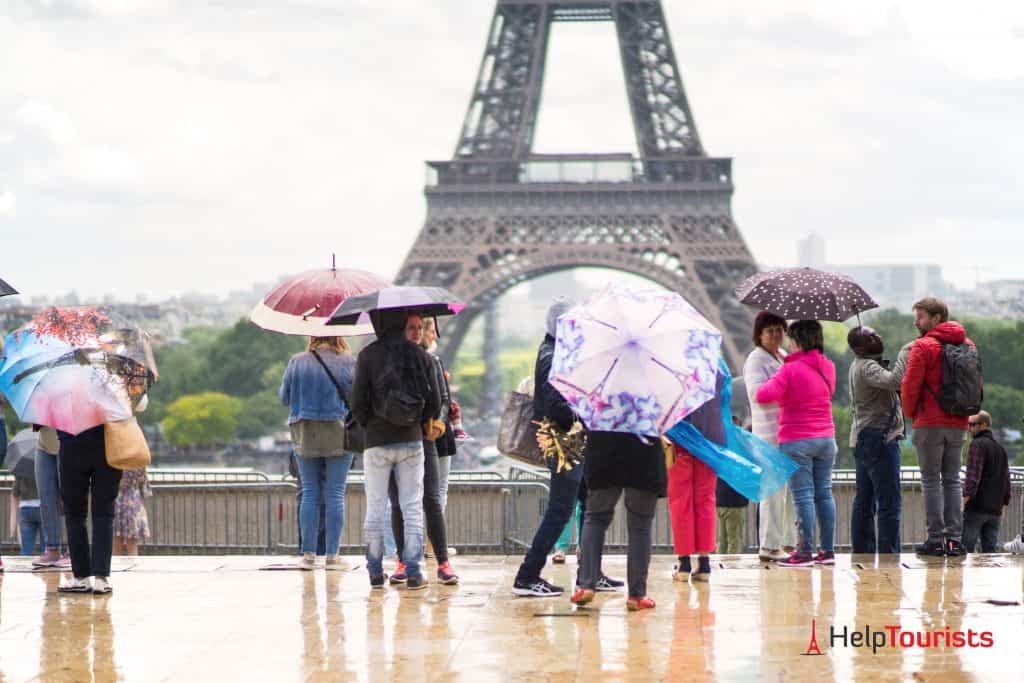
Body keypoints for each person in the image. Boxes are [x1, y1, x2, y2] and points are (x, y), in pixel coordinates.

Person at [512, 299, 616, 597]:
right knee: (560, 510)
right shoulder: (552, 357)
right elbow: (557, 406)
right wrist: (583, 408)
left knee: (589, 501)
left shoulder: (554, 352)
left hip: (568, 442)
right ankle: (527, 575)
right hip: (563, 443)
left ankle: (590, 573)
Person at [350, 309, 440, 590]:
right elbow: (435, 403)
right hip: (412, 440)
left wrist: (371, 424)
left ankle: (375, 572)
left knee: (376, 506)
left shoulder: (367, 355)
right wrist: (416, 419)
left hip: (377, 440)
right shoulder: (420, 355)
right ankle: (413, 571)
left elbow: (356, 402)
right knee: (412, 506)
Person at [756, 320, 838, 568]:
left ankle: (803, 551)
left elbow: (762, 395)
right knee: (824, 494)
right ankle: (827, 551)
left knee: (802, 497)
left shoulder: (789, 370)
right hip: (826, 438)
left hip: (797, 440)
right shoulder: (828, 366)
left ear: (798, 341)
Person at [901, 297, 977, 557]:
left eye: (921, 316)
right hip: (958, 422)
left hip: (929, 422)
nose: (916, 321)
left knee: (931, 480)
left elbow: (910, 387)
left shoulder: (922, 347)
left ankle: (935, 539)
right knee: (953, 480)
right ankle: (954, 539)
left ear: (936, 318)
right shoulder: (968, 344)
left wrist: (911, 414)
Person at [387, 314, 458, 585]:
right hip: (399, 435)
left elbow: (443, 399)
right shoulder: (390, 362)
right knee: (401, 502)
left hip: (424, 436)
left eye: (419, 328)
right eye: (411, 328)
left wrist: (435, 423)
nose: (417, 333)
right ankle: (404, 560)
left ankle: (442, 561)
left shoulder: (432, 361)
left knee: (430, 500)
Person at [280, 336, 357, 571]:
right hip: (337, 430)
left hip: (305, 430)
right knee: (335, 493)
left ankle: (309, 554)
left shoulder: (297, 362)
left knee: (310, 492)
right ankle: (333, 555)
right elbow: (356, 399)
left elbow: (284, 398)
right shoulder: (348, 363)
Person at [572, 430, 664, 610]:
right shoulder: (652, 401)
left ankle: (586, 585)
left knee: (595, 520)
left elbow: (585, 417)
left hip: (604, 450)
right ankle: (637, 595)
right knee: (640, 526)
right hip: (644, 452)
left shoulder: (601, 400)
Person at [743, 311, 796, 561]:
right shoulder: (756, 359)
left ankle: (784, 542)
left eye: (779, 329)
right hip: (768, 434)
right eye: (770, 330)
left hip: (785, 432)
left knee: (783, 494)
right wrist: (783, 381)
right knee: (772, 492)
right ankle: (768, 545)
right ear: (759, 335)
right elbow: (756, 393)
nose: (776, 335)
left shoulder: (783, 356)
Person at [847, 326, 904, 554]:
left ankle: (862, 551)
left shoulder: (857, 365)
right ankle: (889, 553)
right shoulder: (868, 366)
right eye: (871, 337)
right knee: (889, 502)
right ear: (860, 348)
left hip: (863, 437)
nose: (878, 337)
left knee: (864, 500)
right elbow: (895, 381)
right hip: (880, 438)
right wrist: (906, 353)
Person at [669, 370, 726, 582]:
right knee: (706, 500)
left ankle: (683, 563)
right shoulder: (718, 371)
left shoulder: (675, 367)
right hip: (710, 443)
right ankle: (704, 563)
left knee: (680, 500)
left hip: (680, 440)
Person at [961, 411, 1011, 553]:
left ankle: (966, 576)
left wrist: (965, 500)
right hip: (995, 509)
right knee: (990, 553)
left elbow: (973, 476)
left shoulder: (976, 445)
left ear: (984, 425)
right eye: (968, 424)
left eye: (972, 425)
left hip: (977, 507)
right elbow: (1006, 480)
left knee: (966, 550)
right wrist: (1004, 503)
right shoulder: (1001, 449)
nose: (969, 428)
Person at [32, 427, 70, 568]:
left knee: (70, 499)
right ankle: (52, 549)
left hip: (68, 441)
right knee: (46, 497)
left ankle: (74, 551)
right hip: (44, 442)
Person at [715, 419, 749, 556]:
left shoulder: (720, 447)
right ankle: (731, 569)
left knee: (722, 540)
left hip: (720, 501)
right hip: (735, 502)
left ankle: (718, 566)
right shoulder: (740, 450)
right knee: (735, 540)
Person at [113, 468, 152, 555]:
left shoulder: (116, 460)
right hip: (134, 503)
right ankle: (133, 566)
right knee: (132, 545)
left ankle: (114, 567)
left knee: (116, 543)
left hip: (117, 501)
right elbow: (145, 489)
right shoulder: (139, 461)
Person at [13, 474, 44, 556]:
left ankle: (23, 567)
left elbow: (15, 493)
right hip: (43, 507)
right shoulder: (44, 466)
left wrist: (16, 514)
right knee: (46, 548)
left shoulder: (21, 470)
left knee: (26, 549)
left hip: (25, 508)